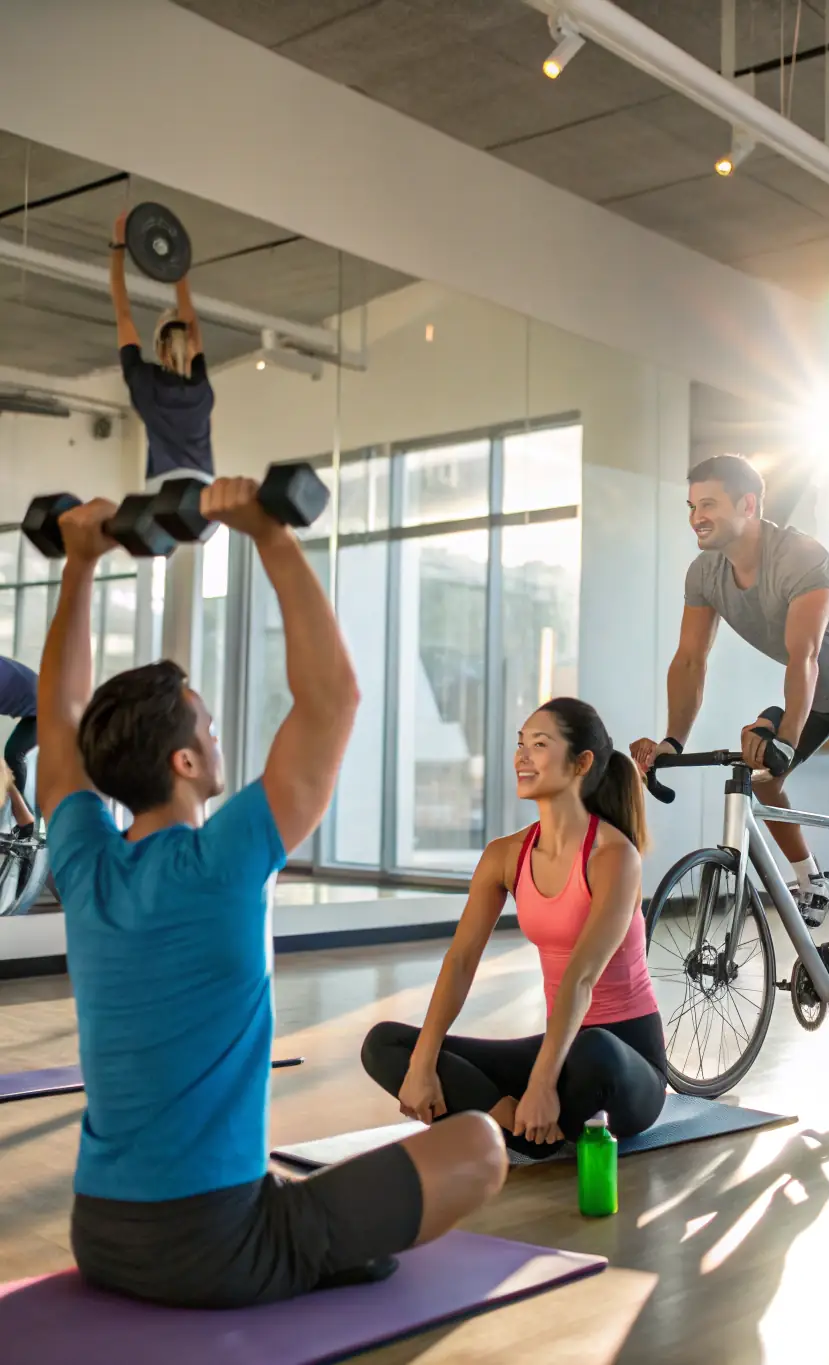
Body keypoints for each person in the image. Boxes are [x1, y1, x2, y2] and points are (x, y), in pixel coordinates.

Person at [36, 479, 506, 1310]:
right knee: (479, 1146)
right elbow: (332, 701)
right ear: (184, 762)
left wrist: (79, 566)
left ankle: (321, 1236)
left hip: (97, 1232)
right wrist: (267, 533)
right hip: (215, 1246)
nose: (216, 735)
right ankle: (318, 1251)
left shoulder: (85, 864)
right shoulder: (223, 858)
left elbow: (58, 721)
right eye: (205, 724)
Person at [631, 454, 829, 1033]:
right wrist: (673, 739)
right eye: (691, 506)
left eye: (707, 504)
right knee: (761, 778)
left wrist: (785, 734)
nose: (695, 518)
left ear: (747, 506)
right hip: (818, 694)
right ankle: (815, 885)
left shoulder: (801, 556)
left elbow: (804, 655)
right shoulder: (705, 573)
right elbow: (690, 660)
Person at [362, 698, 667, 1158]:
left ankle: (526, 1115)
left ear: (582, 762)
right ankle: (511, 1120)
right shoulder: (505, 855)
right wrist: (423, 1062)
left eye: (540, 745)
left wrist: (542, 1082)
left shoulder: (613, 856)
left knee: (594, 1051)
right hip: (556, 1044)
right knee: (386, 1044)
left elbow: (581, 978)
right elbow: (461, 960)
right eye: (520, 744)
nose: (522, 756)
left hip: (622, 1059)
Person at [109, 211, 215, 483]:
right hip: (203, 491)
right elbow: (190, 318)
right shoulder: (201, 392)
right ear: (191, 343)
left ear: (158, 347)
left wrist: (119, 247)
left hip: (164, 489)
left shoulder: (146, 384)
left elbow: (123, 314)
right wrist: (176, 262)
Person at [0, 654, 38, 836]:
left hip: (48, 708)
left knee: (13, 754)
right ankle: (24, 818)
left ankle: (24, 820)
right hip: (41, 705)